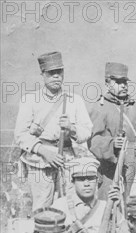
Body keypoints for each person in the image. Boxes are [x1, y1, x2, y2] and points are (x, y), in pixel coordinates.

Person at [14, 51, 93, 211]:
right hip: (40, 161)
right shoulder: (30, 100)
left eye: (59, 72)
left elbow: (87, 131)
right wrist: (44, 152)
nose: (56, 76)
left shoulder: (75, 100)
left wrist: (71, 128)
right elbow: (20, 135)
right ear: (42, 74)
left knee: (70, 206)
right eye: (51, 73)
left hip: (68, 161)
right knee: (43, 208)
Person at [88, 62, 136, 200]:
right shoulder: (100, 107)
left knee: (135, 201)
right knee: (109, 204)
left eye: (125, 81)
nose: (123, 85)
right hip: (110, 166)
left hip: (135, 164)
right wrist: (112, 143)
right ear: (107, 84)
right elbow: (93, 140)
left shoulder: (135, 107)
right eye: (118, 82)